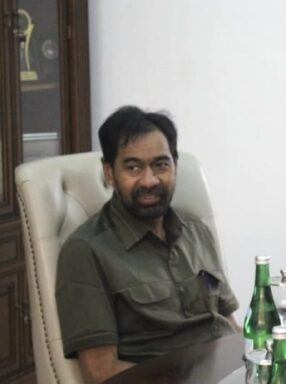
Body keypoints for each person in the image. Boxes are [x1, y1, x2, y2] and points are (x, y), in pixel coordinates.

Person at [55, 106, 239, 383]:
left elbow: (229, 325)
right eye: (133, 167)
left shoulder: (197, 231)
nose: (150, 180)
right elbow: (100, 371)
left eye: (161, 165)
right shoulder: (86, 251)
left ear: (175, 165)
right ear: (109, 173)